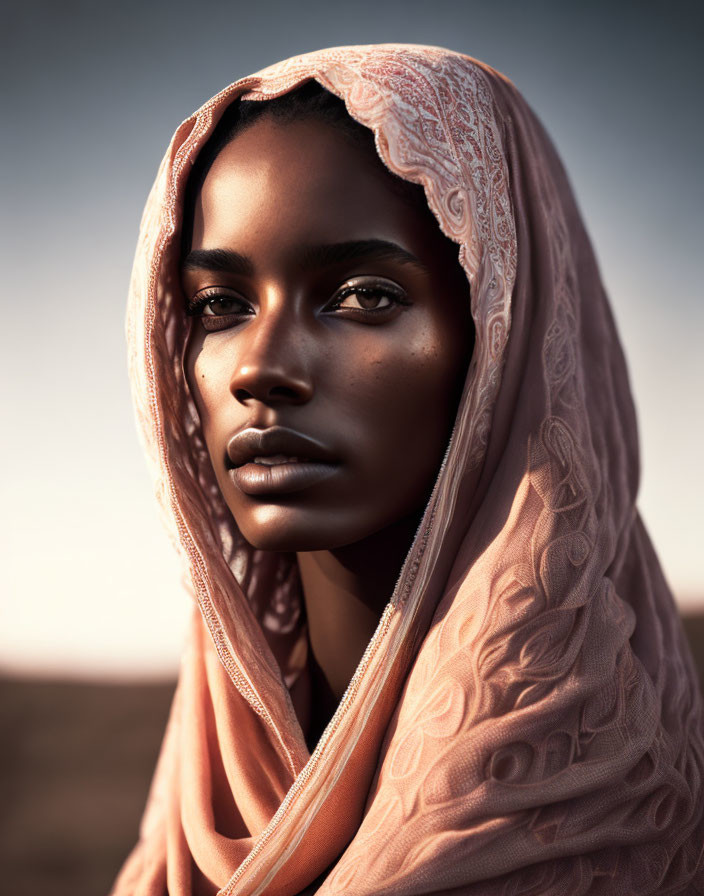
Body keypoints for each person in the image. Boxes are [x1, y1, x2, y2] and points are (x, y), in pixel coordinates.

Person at [112, 44, 704, 896]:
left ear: (506, 341)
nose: (259, 368)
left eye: (362, 296)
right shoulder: (198, 808)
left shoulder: (610, 815)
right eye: (221, 306)